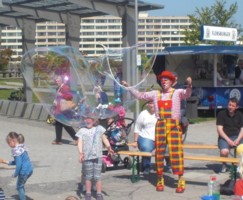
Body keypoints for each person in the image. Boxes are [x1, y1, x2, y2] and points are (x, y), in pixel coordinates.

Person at [122, 70, 192, 193]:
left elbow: (187, 94)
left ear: (172, 82)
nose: (164, 81)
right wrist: (129, 88)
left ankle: (181, 179)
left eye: (167, 79)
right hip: (160, 125)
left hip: (174, 126)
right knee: (159, 153)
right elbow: (140, 95)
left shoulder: (177, 93)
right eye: (162, 79)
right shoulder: (155, 94)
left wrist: (189, 85)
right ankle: (160, 178)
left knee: (176, 152)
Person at [76, 111, 114, 200]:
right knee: (88, 176)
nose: (87, 121)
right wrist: (81, 153)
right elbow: (80, 142)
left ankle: (99, 193)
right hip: (87, 157)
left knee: (97, 176)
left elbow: (104, 138)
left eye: (90, 119)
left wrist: (109, 147)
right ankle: (88, 193)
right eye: (86, 119)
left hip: (98, 157)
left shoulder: (99, 128)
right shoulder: (82, 130)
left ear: (94, 121)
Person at [0, 132, 33, 200]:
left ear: (13, 141)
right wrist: (5, 161)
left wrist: (15, 173)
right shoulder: (21, 147)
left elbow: (19, 164)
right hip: (29, 169)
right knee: (21, 185)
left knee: (19, 187)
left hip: (24, 172)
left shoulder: (16, 150)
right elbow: (17, 162)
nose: (8, 145)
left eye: (9, 142)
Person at [216, 97, 243, 173]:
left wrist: (237, 140)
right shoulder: (221, 114)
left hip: (238, 137)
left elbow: (242, 129)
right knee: (224, 152)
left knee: (242, 150)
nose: (230, 107)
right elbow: (219, 130)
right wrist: (229, 140)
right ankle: (224, 165)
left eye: (232, 106)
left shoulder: (240, 115)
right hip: (224, 137)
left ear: (236, 107)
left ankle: (241, 166)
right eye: (229, 105)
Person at [133, 101, 157, 175]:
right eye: (150, 103)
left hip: (159, 137)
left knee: (168, 147)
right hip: (146, 136)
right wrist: (135, 141)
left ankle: (168, 166)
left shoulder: (161, 113)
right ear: (147, 104)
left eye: (153, 103)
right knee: (146, 147)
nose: (152, 105)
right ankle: (146, 167)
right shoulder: (143, 113)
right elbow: (137, 128)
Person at [52, 75, 78, 145]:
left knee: (66, 125)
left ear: (61, 80)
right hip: (59, 109)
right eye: (56, 81)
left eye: (58, 81)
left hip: (63, 109)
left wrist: (61, 95)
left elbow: (70, 96)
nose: (57, 82)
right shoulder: (58, 88)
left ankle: (76, 139)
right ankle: (58, 140)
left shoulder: (65, 87)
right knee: (58, 124)